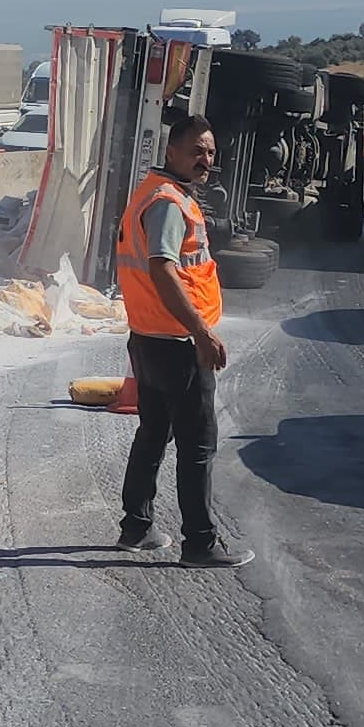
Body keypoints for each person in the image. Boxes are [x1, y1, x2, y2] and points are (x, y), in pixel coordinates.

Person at [115, 112, 250, 566]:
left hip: (149, 339)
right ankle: (200, 543)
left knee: (152, 434)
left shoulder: (153, 193)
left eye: (210, 152)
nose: (205, 159)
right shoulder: (169, 203)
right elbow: (162, 266)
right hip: (175, 344)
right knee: (197, 445)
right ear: (171, 151)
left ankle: (136, 527)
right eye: (196, 151)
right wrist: (201, 333)